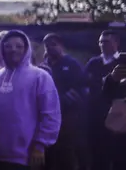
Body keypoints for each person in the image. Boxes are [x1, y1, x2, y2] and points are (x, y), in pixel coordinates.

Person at [0, 30, 61, 170]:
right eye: (8, 46)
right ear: (2, 49)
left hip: (23, 156)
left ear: (26, 49)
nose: (13, 50)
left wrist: (40, 145)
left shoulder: (40, 77)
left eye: (19, 46)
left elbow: (51, 115)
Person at [41, 33, 86, 170]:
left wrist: (63, 101)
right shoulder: (43, 67)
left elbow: (81, 88)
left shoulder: (72, 64)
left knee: (66, 152)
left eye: (53, 44)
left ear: (61, 46)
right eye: (47, 46)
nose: (50, 48)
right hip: (47, 116)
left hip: (67, 117)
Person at [85, 30, 123, 170]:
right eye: (100, 42)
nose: (102, 45)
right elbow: (86, 84)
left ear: (116, 42)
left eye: (106, 42)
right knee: (98, 156)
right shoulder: (93, 63)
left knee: (120, 157)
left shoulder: (123, 61)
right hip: (97, 118)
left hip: (119, 117)